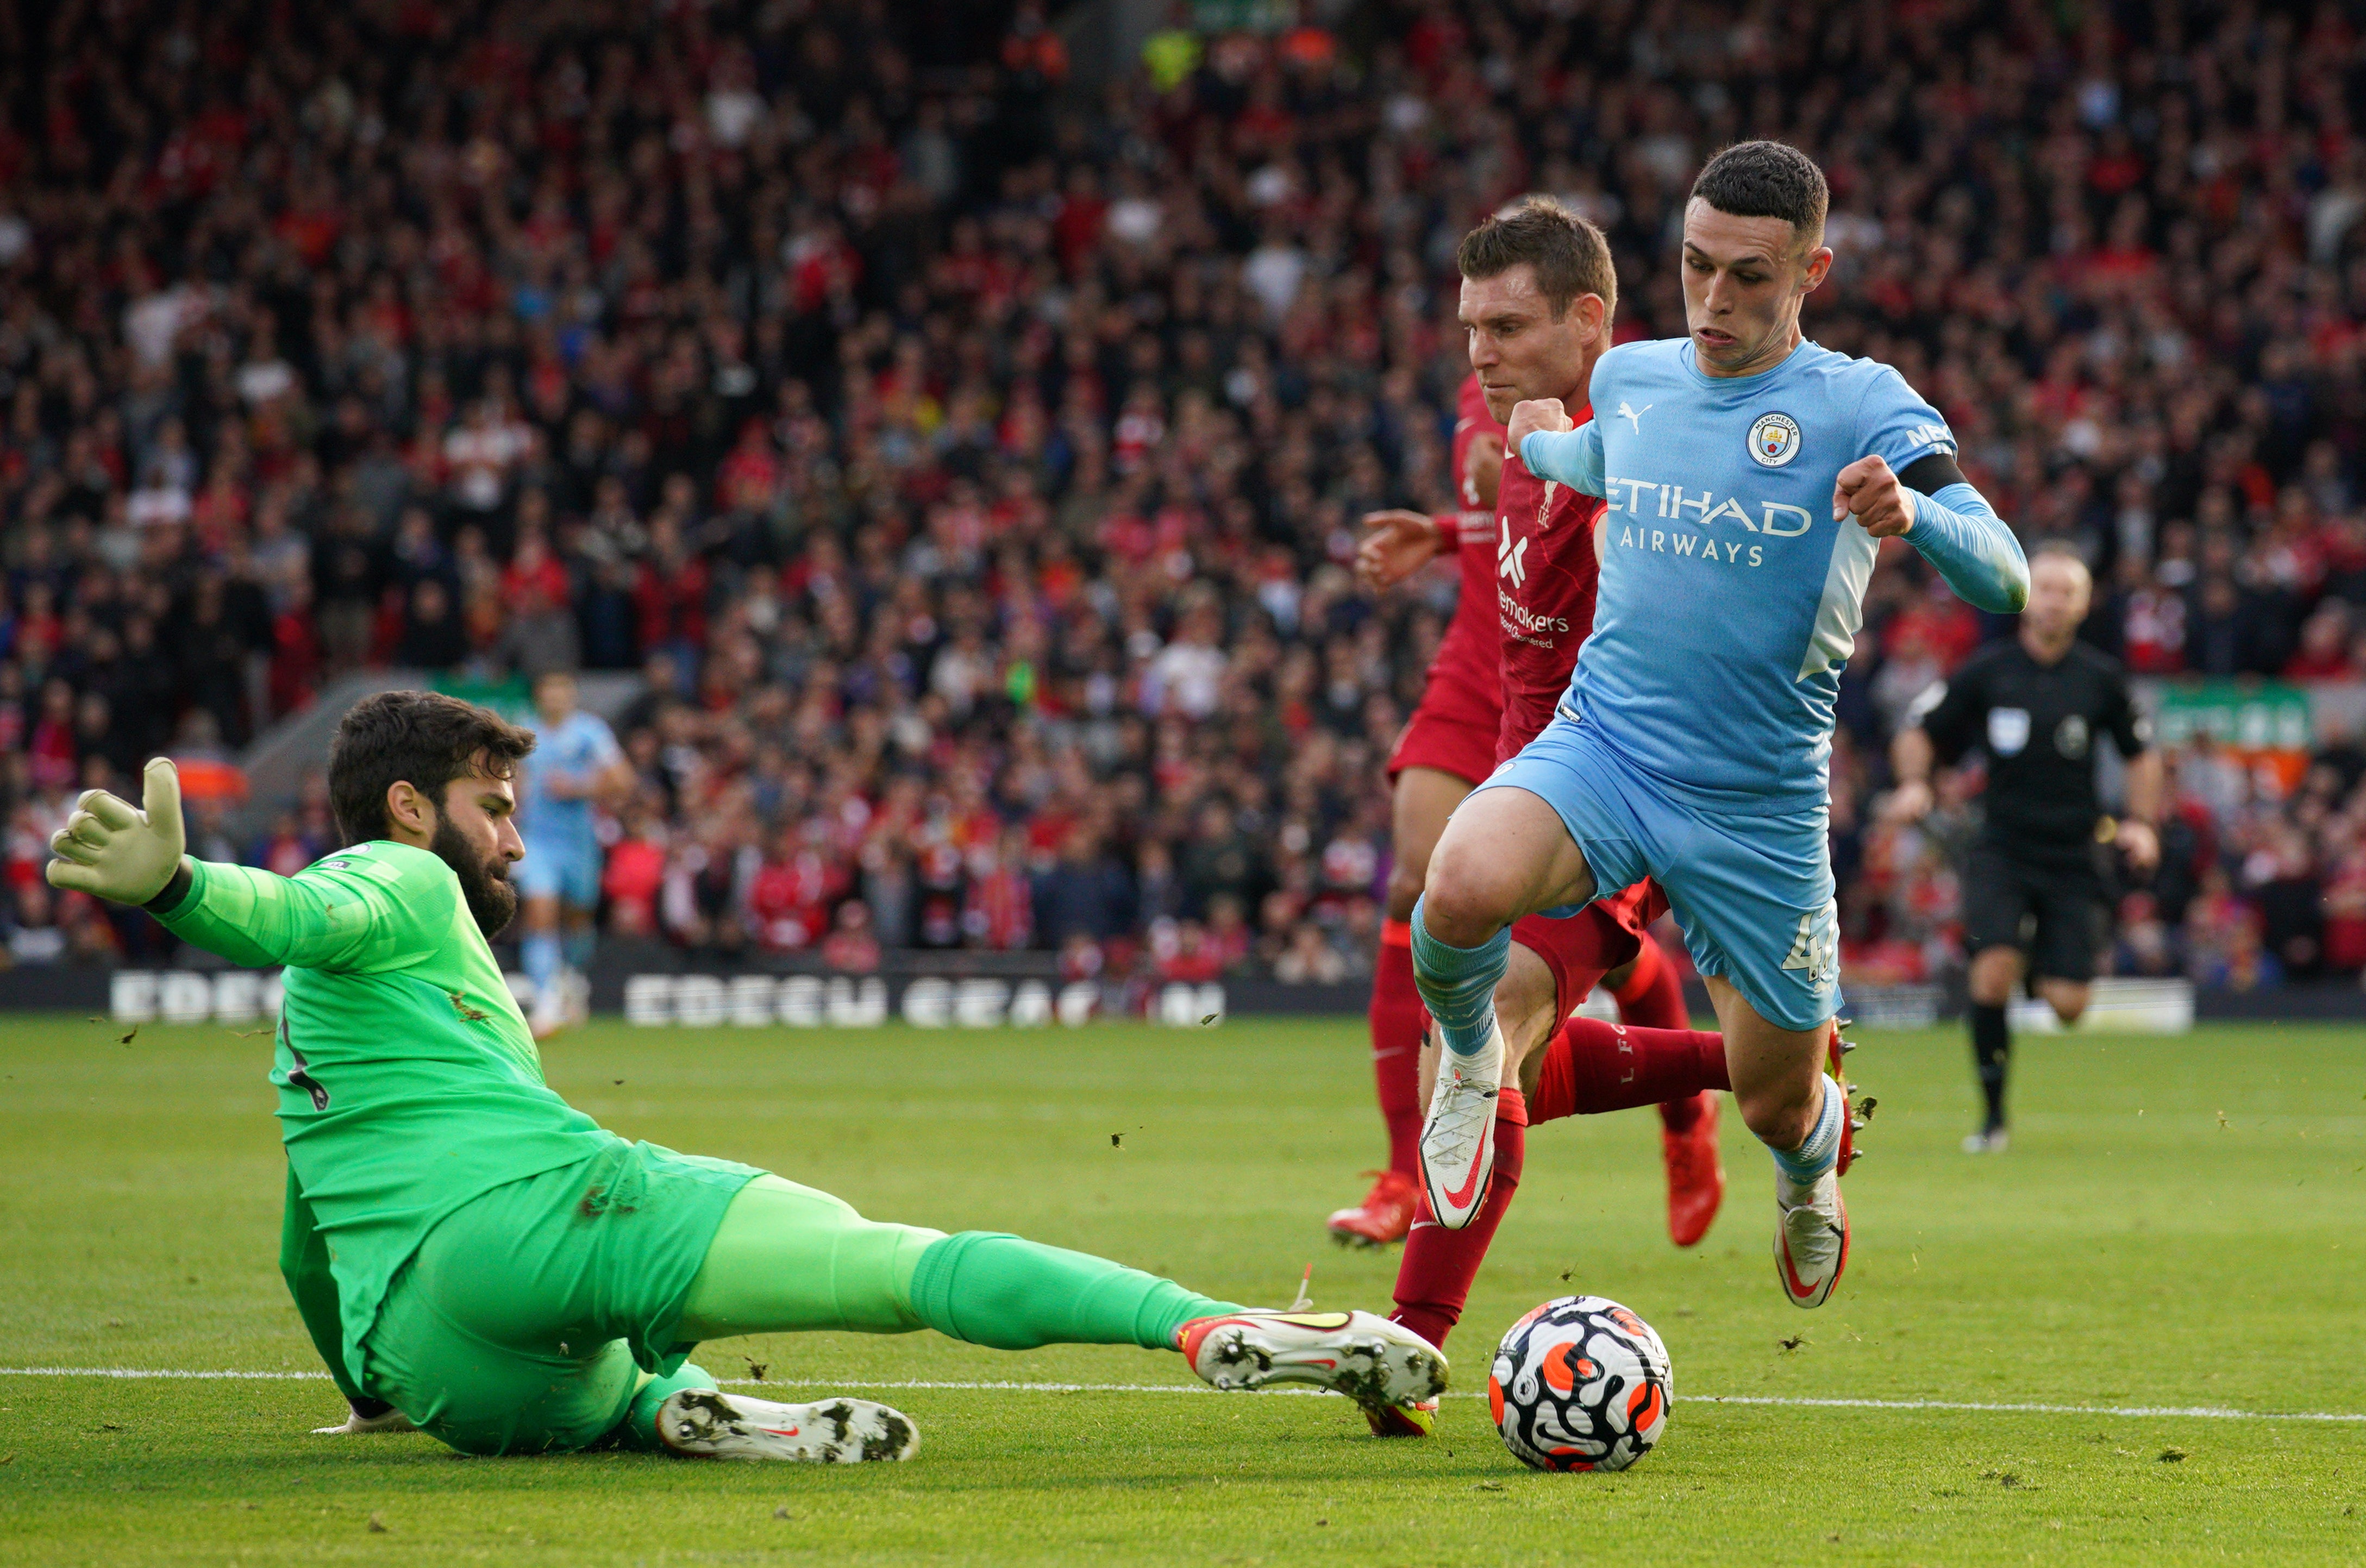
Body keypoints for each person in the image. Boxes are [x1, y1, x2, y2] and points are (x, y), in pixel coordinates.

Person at [43, 691, 1447, 1461]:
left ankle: (676, 1406)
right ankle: (1206, 1326)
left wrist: (372, 1385)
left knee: (604, 1383)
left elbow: (308, 1240)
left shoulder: (320, 1032)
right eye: (496, 807)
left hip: (444, 1364)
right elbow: (295, 907)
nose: (519, 840)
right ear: (415, 808)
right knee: (893, 1261)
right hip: (546, 1211)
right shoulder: (396, 873)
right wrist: (177, 883)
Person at [1420, 141, 2028, 1312]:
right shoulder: (1640, 375)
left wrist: (1915, 516)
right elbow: (1604, 460)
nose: (1715, 300)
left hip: (1755, 806)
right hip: (1605, 748)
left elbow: (2004, 575)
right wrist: (1538, 440)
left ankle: (1810, 1169)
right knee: (1454, 889)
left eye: (1751, 276)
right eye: (1696, 267)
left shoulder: (1861, 401)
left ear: (1812, 270)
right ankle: (1466, 1068)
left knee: (1769, 1101)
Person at [1335, 357, 1720, 1256]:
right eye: (1472, 325)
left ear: (1583, 320)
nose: (1480, 346)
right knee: (1416, 882)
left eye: (1503, 324)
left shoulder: (1642, 406)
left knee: (1601, 966)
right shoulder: (1479, 387)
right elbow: (1495, 517)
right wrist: (1441, 531)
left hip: (1586, 703)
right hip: (1480, 669)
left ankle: (1684, 1115)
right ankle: (1402, 1174)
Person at [1887, 544, 2160, 1152]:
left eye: (2067, 591)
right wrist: (1912, 784)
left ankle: (2037, 960)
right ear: (2021, 595)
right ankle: (1992, 1119)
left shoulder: (2101, 679)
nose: (2054, 600)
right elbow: (1918, 730)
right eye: (2044, 587)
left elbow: (2141, 754)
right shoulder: (1987, 671)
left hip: (2074, 853)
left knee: (2068, 1006)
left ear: (2084, 605)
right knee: (1989, 978)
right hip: (2002, 848)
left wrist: (2141, 822)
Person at [517, 669, 632, 1037]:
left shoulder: (590, 732)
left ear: (572, 696)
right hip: (537, 841)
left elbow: (623, 780)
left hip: (579, 842)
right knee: (540, 912)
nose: (555, 699)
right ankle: (546, 1003)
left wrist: (579, 786)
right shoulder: (524, 732)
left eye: (561, 692)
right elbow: (508, 776)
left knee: (579, 920)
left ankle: (572, 977)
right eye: (548, 691)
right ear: (540, 696)